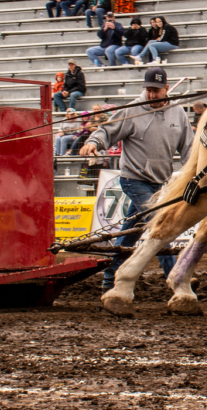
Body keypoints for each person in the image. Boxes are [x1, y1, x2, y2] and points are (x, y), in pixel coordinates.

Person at [80, 66, 192, 290]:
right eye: (148, 90)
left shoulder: (178, 113)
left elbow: (188, 147)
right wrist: (94, 142)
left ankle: (110, 277)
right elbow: (108, 130)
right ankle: (175, 278)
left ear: (166, 89)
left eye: (156, 90)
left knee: (131, 232)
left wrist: (192, 171)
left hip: (160, 183)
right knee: (159, 222)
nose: (151, 95)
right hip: (134, 178)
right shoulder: (133, 110)